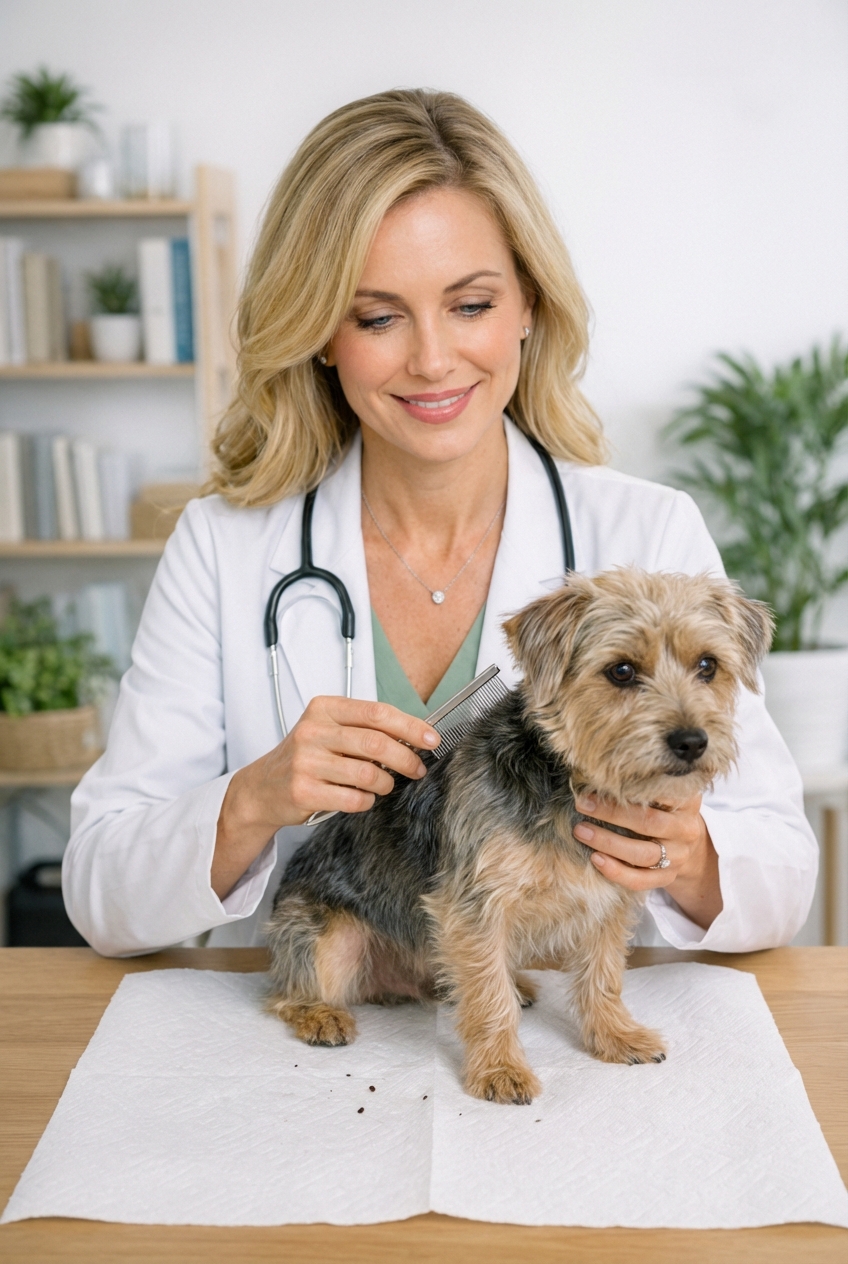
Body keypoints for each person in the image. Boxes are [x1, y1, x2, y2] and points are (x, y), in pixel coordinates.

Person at [64, 89, 817, 957]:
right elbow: (99, 893)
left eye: (471, 305)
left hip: (554, 1028)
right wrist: (254, 799)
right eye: (378, 317)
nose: (431, 359)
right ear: (319, 331)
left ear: (528, 304)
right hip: (317, 1017)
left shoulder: (647, 531)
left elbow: (783, 875)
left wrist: (687, 858)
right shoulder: (222, 547)